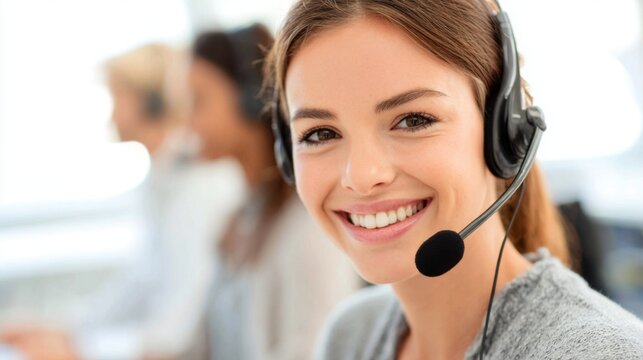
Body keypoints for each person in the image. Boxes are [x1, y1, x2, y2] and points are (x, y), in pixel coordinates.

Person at [264, 1, 643, 359]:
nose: (361, 177)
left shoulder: (594, 352)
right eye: (320, 134)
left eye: (413, 120)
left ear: (503, 131)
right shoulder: (351, 335)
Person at [1, 44, 245, 360]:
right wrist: (62, 331)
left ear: (152, 103)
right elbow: (138, 284)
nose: (112, 113)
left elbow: (178, 332)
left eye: (117, 98)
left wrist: (81, 351)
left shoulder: (200, 186)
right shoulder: (162, 179)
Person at [188, 24, 359, 360]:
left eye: (199, 101)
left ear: (249, 99)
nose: (188, 123)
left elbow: (313, 350)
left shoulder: (307, 225)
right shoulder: (236, 222)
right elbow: (199, 349)